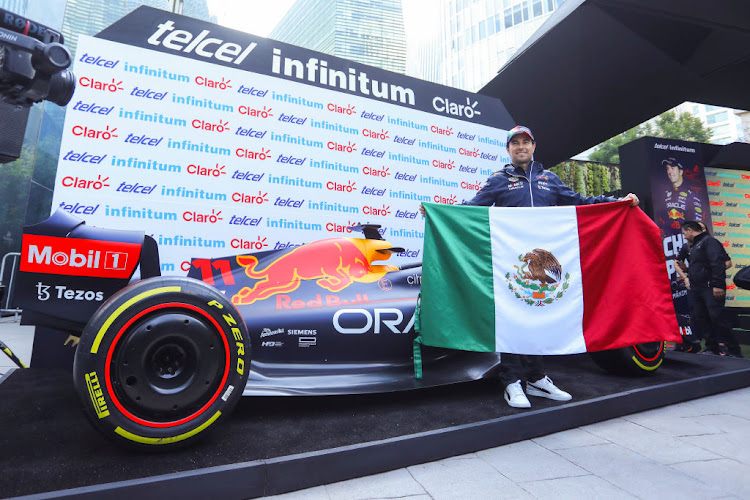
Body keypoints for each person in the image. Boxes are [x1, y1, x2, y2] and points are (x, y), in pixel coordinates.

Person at [420, 125, 640, 409]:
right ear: (508, 149)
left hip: (547, 261)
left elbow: (581, 203)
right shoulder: (498, 180)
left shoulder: (549, 179)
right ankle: (511, 382)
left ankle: (537, 379)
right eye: (515, 143)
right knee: (513, 319)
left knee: (540, 317)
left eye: (526, 142)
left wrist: (616, 203)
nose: (521, 147)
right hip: (513, 264)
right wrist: (439, 213)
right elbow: (473, 208)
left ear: (534, 146)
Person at [680, 220, 738, 356]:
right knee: (702, 318)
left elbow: (717, 264)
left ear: (689, 230)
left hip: (710, 288)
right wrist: (687, 270)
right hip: (697, 289)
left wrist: (717, 285)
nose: (684, 236)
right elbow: (701, 268)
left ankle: (734, 351)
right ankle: (712, 348)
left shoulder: (709, 242)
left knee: (717, 318)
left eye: (684, 233)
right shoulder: (694, 246)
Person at [662, 157, 704, 231]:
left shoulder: (691, 194)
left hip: (686, 238)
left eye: (672, 168)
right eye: (667, 168)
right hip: (669, 238)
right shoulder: (665, 194)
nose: (669, 171)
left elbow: (697, 223)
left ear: (681, 172)